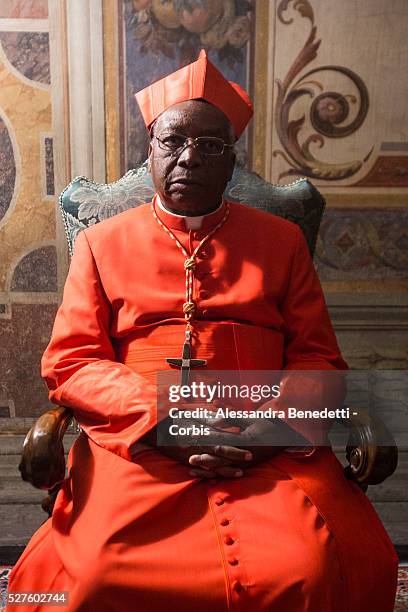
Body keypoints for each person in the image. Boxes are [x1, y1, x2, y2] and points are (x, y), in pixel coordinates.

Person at [7, 50, 397, 611]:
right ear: (152, 150)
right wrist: (166, 419)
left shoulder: (280, 243)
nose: (189, 157)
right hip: (140, 441)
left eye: (210, 145)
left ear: (231, 161)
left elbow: (319, 361)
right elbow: (73, 361)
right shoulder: (101, 243)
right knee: (96, 577)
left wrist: (264, 432)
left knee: (309, 569)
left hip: (265, 443)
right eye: (174, 143)